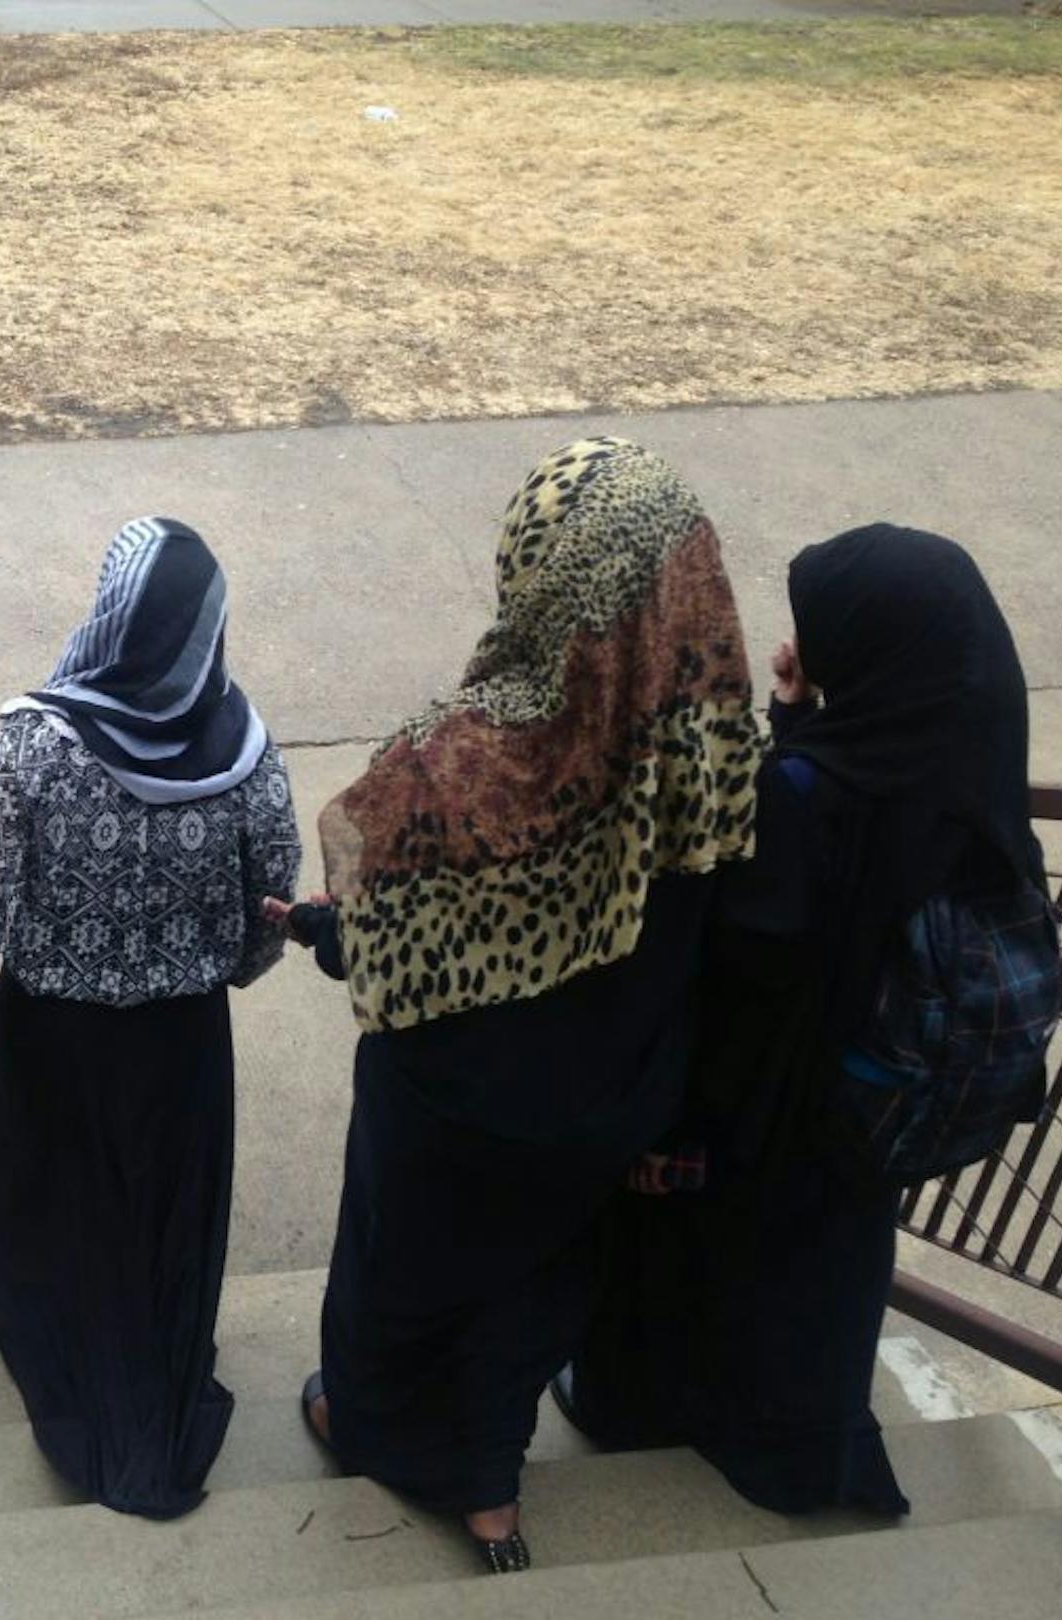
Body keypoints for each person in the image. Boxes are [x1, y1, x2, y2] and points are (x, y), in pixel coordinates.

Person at [273, 439, 762, 1572]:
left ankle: (364, 1424)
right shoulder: (719, 753)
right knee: (539, 1278)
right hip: (614, 1103)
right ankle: (491, 1489)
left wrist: (321, 930)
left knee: (398, 1283)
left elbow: (389, 954)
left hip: (453, 1118)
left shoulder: (449, 771)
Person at [563, 525, 1043, 1518]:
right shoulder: (967, 760)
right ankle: (812, 1447)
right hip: (875, 1098)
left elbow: (751, 954)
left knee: (701, 1250)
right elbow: (857, 851)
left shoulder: (801, 803)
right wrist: (799, 719)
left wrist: (667, 1120)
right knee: (826, 1271)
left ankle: (636, 1407)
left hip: (775, 1108)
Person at [0, 516, 301, 1520]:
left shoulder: (37, 742)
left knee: (29, 1178)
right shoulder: (246, 751)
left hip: (52, 1034)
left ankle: (11, 1302)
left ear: (111, 615)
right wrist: (231, 968)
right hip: (182, 1042)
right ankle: (148, 1376)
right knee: (158, 1211)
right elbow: (273, 892)